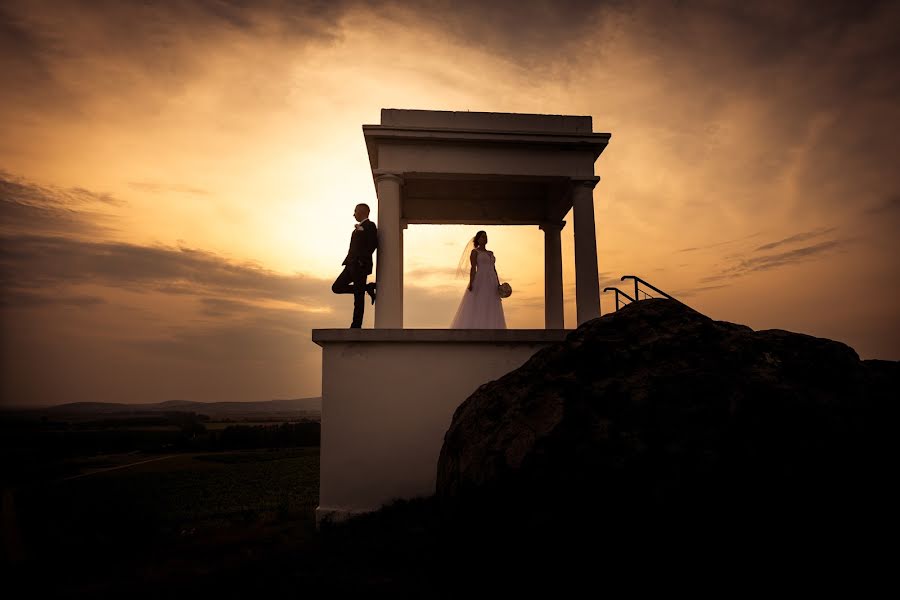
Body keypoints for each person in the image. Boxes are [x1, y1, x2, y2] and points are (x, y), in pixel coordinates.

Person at [331, 203, 377, 328]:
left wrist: (361, 261)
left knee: (358, 297)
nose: (353, 214)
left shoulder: (370, 226)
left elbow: (373, 244)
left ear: (362, 212)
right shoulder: (357, 228)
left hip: (360, 266)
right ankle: (367, 288)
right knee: (336, 287)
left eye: (355, 211)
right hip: (350, 265)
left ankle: (356, 325)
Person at [449, 230, 507, 329]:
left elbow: (494, 269)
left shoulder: (491, 253)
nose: (485, 238)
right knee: (480, 300)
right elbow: (473, 268)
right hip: (481, 278)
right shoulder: (475, 252)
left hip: (492, 279)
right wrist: (471, 282)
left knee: (492, 301)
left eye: (486, 236)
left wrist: (498, 284)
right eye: (482, 237)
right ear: (478, 239)